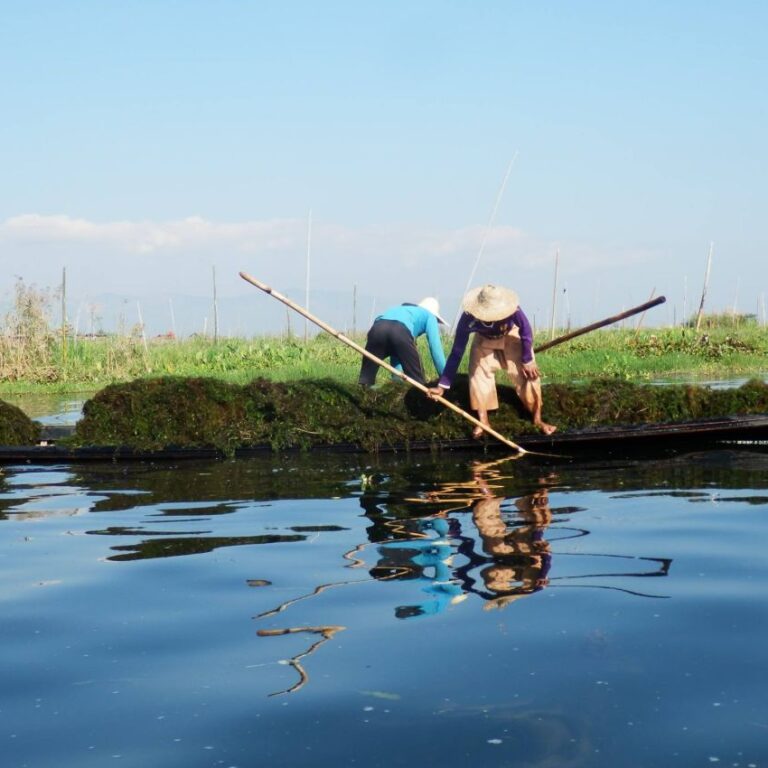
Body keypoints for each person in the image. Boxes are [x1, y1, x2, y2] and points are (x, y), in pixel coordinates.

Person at [428, 284, 556, 436]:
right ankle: (483, 422)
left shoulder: (512, 309)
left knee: (529, 375)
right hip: (484, 340)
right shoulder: (468, 318)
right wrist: (442, 386)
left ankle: (537, 419)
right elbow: (457, 352)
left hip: (510, 336)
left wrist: (527, 359)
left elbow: (526, 330)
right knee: (477, 376)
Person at [358, 297, 447, 387]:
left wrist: (397, 381)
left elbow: (397, 351)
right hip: (400, 332)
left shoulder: (402, 310)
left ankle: (368, 391)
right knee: (418, 384)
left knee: (366, 380)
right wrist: (446, 380)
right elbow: (436, 349)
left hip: (376, 330)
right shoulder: (430, 316)